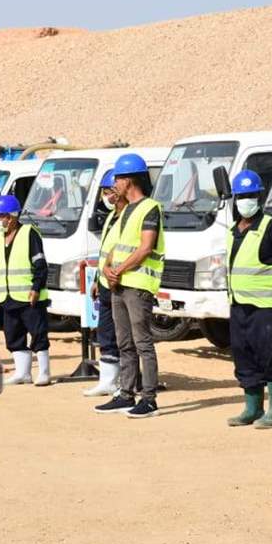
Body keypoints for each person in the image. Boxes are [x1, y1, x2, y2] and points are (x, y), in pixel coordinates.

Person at [224, 170, 272, 428]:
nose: (246, 200)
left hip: (267, 308)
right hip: (239, 306)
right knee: (245, 357)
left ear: (260, 197)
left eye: (251, 195)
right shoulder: (233, 231)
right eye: (241, 196)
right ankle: (252, 407)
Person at [95, 152, 164, 418]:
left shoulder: (150, 208)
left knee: (142, 342)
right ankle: (126, 394)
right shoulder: (124, 211)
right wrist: (107, 269)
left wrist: (119, 270)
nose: (115, 184)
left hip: (137, 284)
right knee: (124, 342)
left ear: (130, 180)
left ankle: (149, 399)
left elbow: (145, 247)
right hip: (119, 284)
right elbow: (114, 247)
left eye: (118, 179)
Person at [0, 194, 51, 385]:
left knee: (38, 334)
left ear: (11, 217)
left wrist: (36, 288)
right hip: (7, 297)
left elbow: (41, 265)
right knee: (13, 335)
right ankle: (23, 373)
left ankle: (44, 372)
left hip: (29, 297)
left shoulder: (29, 234)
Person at [85, 168, 122, 396]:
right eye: (104, 192)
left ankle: (126, 382)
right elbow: (105, 252)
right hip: (106, 283)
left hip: (121, 283)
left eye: (109, 192)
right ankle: (108, 381)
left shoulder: (128, 217)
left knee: (124, 336)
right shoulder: (110, 217)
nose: (106, 197)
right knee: (106, 333)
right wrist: (98, 280)